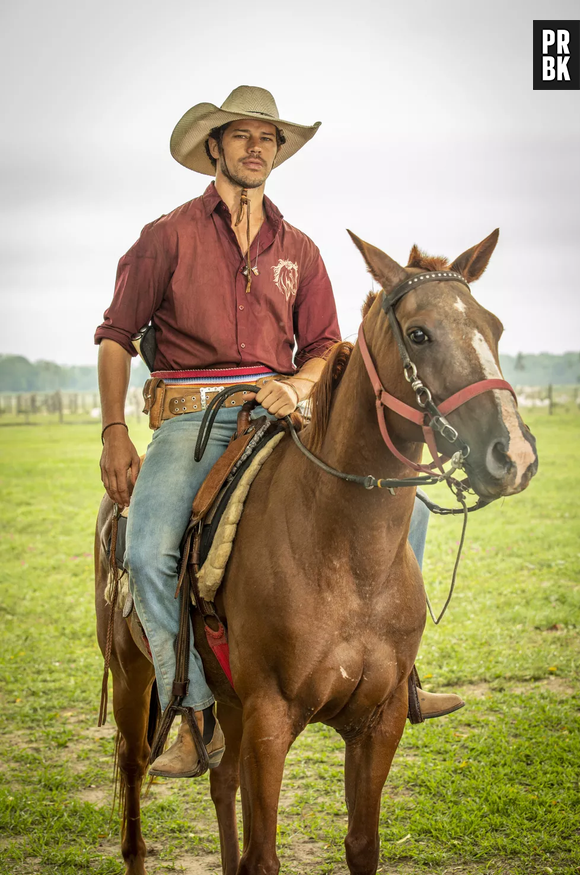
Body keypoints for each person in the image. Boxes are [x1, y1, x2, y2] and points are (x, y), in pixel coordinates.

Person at [95, 85, 463, 779]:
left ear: (278, 152)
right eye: (242, 135)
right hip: (190, 424)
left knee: (391, 500)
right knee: (146, 554)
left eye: (268, 137)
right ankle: (195, 710)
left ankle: (401, 672)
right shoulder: (164, 237)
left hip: (280, 414)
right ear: (215, 147)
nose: (257, 146)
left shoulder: (300, 248)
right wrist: (116, 429)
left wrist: (297, 385)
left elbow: (324, 345)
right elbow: (115, 338)